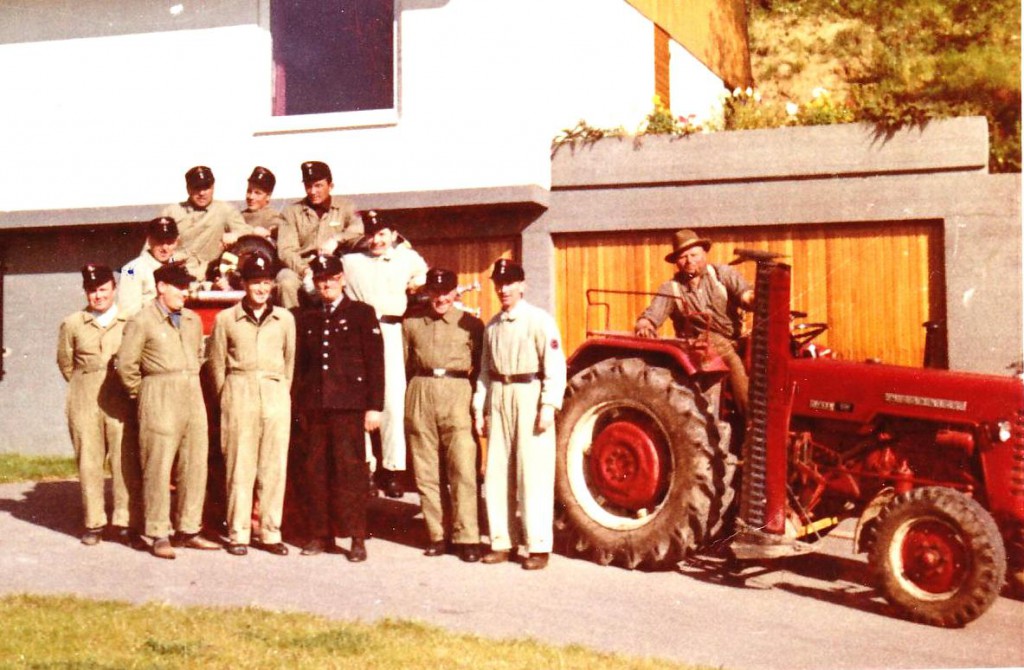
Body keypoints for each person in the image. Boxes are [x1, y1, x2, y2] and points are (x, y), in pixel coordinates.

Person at [116, 261, 219, 559]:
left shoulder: (191, 320)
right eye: (179, 286)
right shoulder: (142, 320)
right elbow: (126, 366)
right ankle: (158, 532)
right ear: (161, 287)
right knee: (158, 467)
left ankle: (188, 529)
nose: (185, 292)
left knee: (194, 464)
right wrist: (144, 394)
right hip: (159, 395)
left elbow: (200, 357)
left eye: (187, 286)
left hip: (191, 395)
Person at [473, 259, 567, 571]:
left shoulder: (539, 321)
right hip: (500, 395)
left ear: (522, 285)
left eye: (510, 282)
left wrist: (549, 405)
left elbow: (554, 366)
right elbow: (485, 372)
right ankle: (502, 541)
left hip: (529, 394)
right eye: (499, 284)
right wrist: (480, 408)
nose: (504, 289)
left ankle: (538, 545)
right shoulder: (492, 326)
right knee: (498, 472)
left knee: (533, 473)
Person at [292, 254, 383, 561]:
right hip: (316, 408)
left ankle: (357, 536)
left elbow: (375, 364)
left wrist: (374, 407)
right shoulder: (307, 316)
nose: (326, 284)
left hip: (349, 408)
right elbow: (301, 367)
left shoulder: (361, 313)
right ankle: (321, 534)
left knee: (350, 473)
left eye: (331, 278)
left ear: (342, 279)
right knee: (316, 472)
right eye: (320, 279)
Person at [208, 254, 296, 557]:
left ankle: (270, 532)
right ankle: (238, 533)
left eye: (265, 282)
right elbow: (216, 364)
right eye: (254, 282)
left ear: (272, 285)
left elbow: (290, 363)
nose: (260, 288)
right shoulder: (226, 319)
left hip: (274, 393)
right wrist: (229, 397)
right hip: (239, 391)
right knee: (239, 466)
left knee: (273, 467)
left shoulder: (285, 319)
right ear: (243, 284)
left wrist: (280, 393)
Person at [342, 210, 427, 498]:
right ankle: (365, 467)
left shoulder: (406, 258)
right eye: (372, 234)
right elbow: (313, 282)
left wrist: (415, 283)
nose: (376, 240)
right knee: (359, 399)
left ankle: (392, 470)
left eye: (382, 234)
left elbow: (422, 273)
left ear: (392, 235)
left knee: (393, 400)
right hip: (358, 333)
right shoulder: (352, 261)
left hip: (390, 331)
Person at [57, 264, 141, 546]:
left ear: (114, 289)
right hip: (85, 396)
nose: (98, 296)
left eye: (103, 289)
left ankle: (123, 521)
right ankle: (94, 522)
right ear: (86, 292)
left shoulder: (130, 322)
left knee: (123, 460)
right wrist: (86, 383)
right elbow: (66, 363)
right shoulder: (73, 323)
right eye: (92, 291)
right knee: (89, 460)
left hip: (119, 397)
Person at [403, 268, 483, 562]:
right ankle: (437, 535)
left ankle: (467, 536)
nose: (440, 298)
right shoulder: (412, 323)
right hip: (421, 389)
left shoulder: (471, 325)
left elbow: (479, 365)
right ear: (428, 293)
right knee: (426, 470)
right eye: (435, 292)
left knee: (462, 468)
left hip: (457, 391)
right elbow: (405, 362)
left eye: (446, 292)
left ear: (455, 292)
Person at [634, 228, 754, 415]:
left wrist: (753, 299)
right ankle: (751, 418)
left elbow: (745, 294)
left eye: (694, 254)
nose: (689, 261)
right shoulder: (672, 289)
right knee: (725, 352)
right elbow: (650, 317)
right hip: (698, 349)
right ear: (676, 262)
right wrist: (645, 325)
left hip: (735, 339)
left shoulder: (722, 275)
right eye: (683, 257)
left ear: (704, 253)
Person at [276, 161, 364, 308]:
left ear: (330, 186)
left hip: (335, 266)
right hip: (304, 266)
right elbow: (286, 250)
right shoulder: (291, 212)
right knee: (285, 281)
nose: (312, 191)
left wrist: (337, 239)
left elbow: (358, 230)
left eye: (318, 185)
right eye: (308, 186)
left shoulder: (345, 207)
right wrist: (304, 270)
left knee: (356, 275)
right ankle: (294, 325)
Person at [161, 165, 252, 281]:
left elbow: (247, 232)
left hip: (212, 275)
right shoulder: (172, 212)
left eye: (206, 187)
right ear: (188, 189)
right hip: (178, 276)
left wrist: (236, 235)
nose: (202, 193)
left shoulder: (225, 210)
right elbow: (152, 248)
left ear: (213, 187)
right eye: (197, 188)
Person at [118, 217, 180, 317]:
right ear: (149, 241)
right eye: (159, 241)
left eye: (169, 242)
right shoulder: (132, 270)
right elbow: (129, 316)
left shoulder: (178, 268)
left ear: (176, 242)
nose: (164, 248)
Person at [240, 166, 283, 239]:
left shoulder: (273, 217)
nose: (251, 197)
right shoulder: (238, 216)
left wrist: (270, 233)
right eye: (249, 191)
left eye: (257, 193)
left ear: (268, 196)